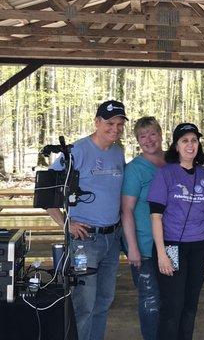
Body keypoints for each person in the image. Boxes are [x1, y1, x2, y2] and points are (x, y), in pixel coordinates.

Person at [47, 100, 128, 340]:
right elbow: (47, 191)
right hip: (85, 240)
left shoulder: (118, 151)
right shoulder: (76, 151)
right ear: (96, 122)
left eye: (120, 124)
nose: (115, 128)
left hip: (112, 238)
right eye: (109, 123)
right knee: (84, 305)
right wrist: (66, 223)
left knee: (104, 302)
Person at [147, 123, 204, 340]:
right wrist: (161, 254)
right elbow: (156, 216)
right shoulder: (165, 174)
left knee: (190, 304)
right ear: (176, 146)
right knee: (172, 305)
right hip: (171, 246)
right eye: (185, 141)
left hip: (200, 247)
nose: (190, 145)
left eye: (194, 140)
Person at [121, 117, 165, 340]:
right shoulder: (135, 169)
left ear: (160, 133)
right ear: (137, 140)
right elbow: (126, 210)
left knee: (170, 300)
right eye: (142, 136)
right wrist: (133, 249)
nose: (148, 140)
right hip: (145, 246)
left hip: (172, 245)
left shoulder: (173, 162)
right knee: (150, 300)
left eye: (152, 134)